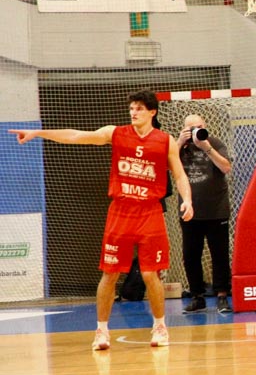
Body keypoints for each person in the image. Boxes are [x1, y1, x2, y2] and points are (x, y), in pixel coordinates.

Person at [9, 90, 193, 350]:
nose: (134, 112)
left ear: (152, 112)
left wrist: (188, 200)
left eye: (139, 108)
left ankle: (160, 326)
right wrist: (38, 133)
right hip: (120, 212)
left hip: (150, 212)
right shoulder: (115, 133)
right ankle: (102, 331)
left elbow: (180, 175)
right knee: (110, 273)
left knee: (150, 274)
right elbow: (76, 136)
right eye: (132, 108)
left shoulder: (165, 140)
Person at [177, 114, 233, 314]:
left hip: (216, 210)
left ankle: (222, 296)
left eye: (199, 127)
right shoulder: (180, 147)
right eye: (191, 128)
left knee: (219, 254)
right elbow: (165, 166)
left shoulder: (214, 143)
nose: (196, 131)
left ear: (205, 126)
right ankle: (197, 296)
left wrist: (206, 147)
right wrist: (179, 143)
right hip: (190, 211)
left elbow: (226, 167)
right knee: (190, 255)